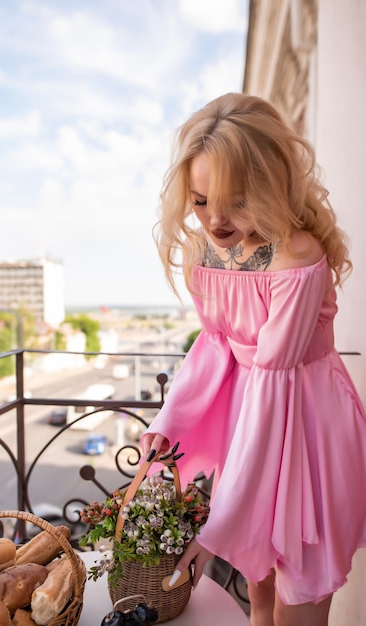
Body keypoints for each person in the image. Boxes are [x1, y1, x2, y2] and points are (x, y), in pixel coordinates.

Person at [141, 93, 366, 626]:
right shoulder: (204, 253)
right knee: (258, 596)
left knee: (300, 599)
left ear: (270, 187)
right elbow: (217, 344)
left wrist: (220, 523)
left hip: (306, 426)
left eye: (236, 201)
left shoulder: (297, 257)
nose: (214, 219)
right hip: (252, 424)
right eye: (199, 201)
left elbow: (273, 376)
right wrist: (168, 423)